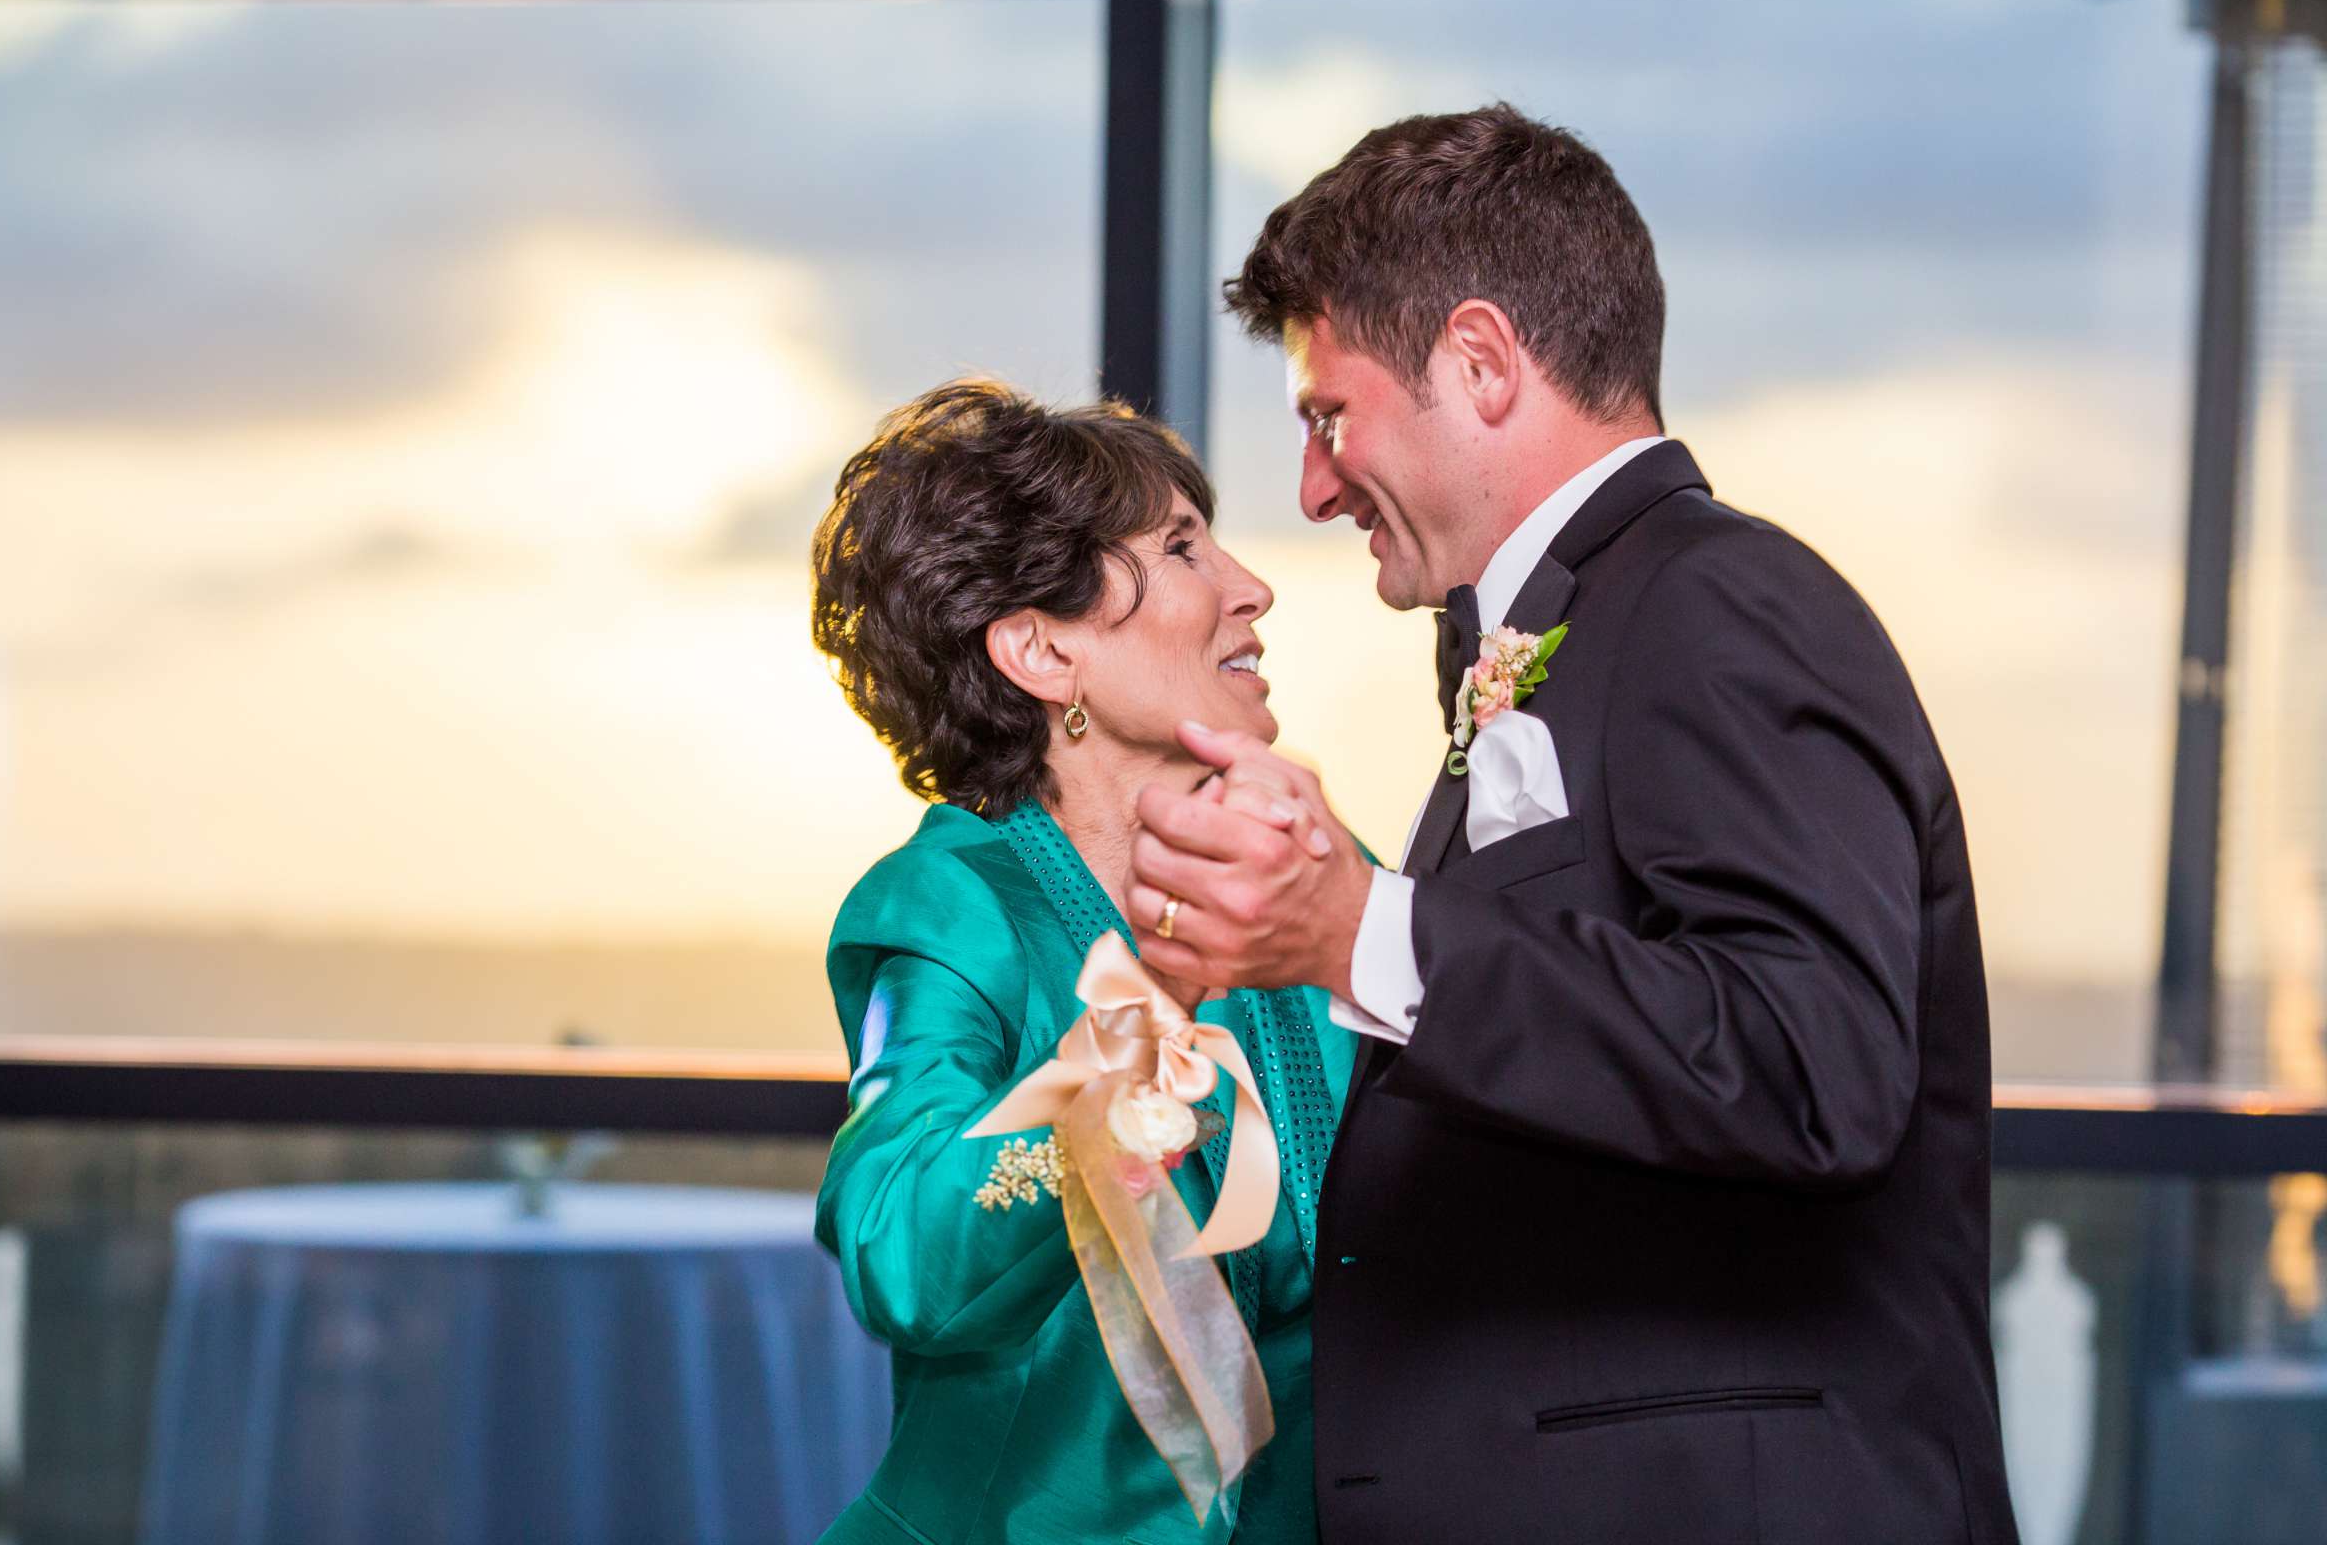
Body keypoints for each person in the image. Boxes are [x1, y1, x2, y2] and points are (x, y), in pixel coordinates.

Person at [1126, 104, 2021, 1544]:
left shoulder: (1720, 604)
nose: (1311, 486)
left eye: (1326, 414)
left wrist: (1364, 931)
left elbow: (1815, 1064)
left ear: (1480, 363)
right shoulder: (1582, 623)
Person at [808, 379, 1354, 1545]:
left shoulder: (1306, 870)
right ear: (1042, 648)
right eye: (1181, 547)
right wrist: (1144, 1019)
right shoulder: (949, 907)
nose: (1252, 588)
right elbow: (900, 1250)